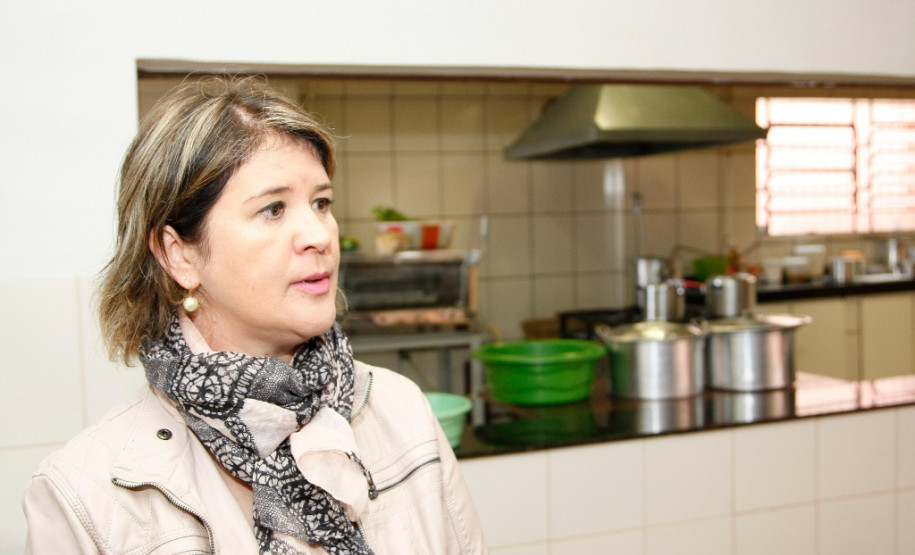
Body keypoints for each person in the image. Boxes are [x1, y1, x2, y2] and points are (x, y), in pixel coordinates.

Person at [22, 76, 487, 554]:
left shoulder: (403, 414)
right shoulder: (87, 495)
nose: (319, 235)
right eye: (273, 209)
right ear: (179, 254)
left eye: (321, 203)